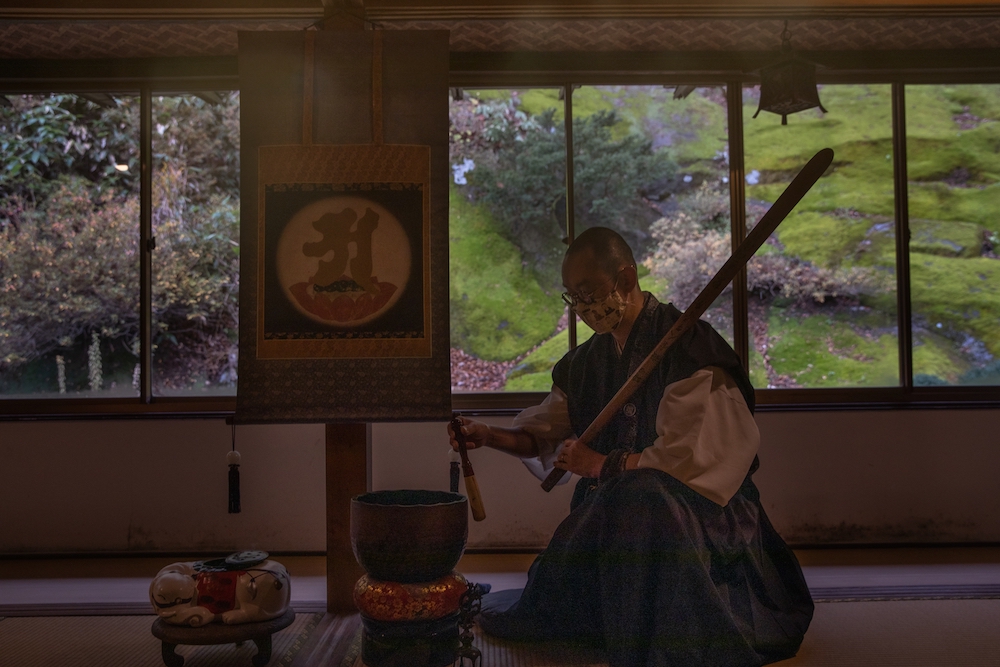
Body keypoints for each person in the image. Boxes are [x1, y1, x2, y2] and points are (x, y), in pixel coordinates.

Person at [448, 227, 813, 666]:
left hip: (697, 524)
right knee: (608, 527)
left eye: (588, 293)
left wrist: (603, 465)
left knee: (644, 496)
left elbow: (693, 460)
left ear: (625, 280)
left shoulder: (689, 349)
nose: (582, 308)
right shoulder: (588, 364)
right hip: (614, 523)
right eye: (572, 297)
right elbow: (542, 435)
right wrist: (488, 436)